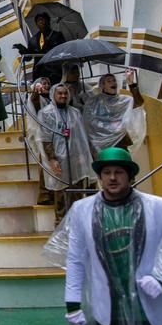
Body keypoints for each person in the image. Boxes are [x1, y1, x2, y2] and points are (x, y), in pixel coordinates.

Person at [61, 147, 162, 325]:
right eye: (106, 172)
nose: (112, 178)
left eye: (119, 172)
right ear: (100, 176)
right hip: (107, 310)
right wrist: (72, 302)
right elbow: (76, 258)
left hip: (149, 306)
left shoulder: (160, 208)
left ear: (129, 176)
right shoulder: (82, 210)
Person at [38, 83, 96, 224]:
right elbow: (45, 138)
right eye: (60, 93)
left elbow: (81, 136)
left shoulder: (75, 113)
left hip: (75, 158)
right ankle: (61, 223)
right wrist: (52, 158)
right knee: (61, 191)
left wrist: (83, 155)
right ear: (53, 95)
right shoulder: (46, 113)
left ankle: (76, 223)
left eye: (65, 93)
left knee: (77, 190)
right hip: (59, 158)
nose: (63, 96)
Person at [84, 69, 146, 156]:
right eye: (109, 81)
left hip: (121, 141)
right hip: (100, 144)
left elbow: (139, 103)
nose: (113, 83)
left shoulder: (124, 100)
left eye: (114, 80)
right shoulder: (94, 101)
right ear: (103, 86)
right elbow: (88, 121)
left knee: (123, 166)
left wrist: (131, 83)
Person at [14, 11, 66, 82]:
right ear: (36, 24)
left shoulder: (57, 35)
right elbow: (28, 57)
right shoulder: (33, 39)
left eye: (42, 19)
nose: (40, 22)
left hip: (55, 72)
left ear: (48, 21)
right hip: (39, 72)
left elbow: (63, 51)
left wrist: (50, 44)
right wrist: (22, 49)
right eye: (38, 20)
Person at [25, 77, 53, 205]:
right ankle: (44, 194)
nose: (46, 85)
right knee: (45, 164)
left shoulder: (52, 98)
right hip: (42, 135)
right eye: (44, 83)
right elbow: (34, 101)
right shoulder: (37, 98)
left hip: (53, 135)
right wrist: (36, 91)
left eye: (48, 83)